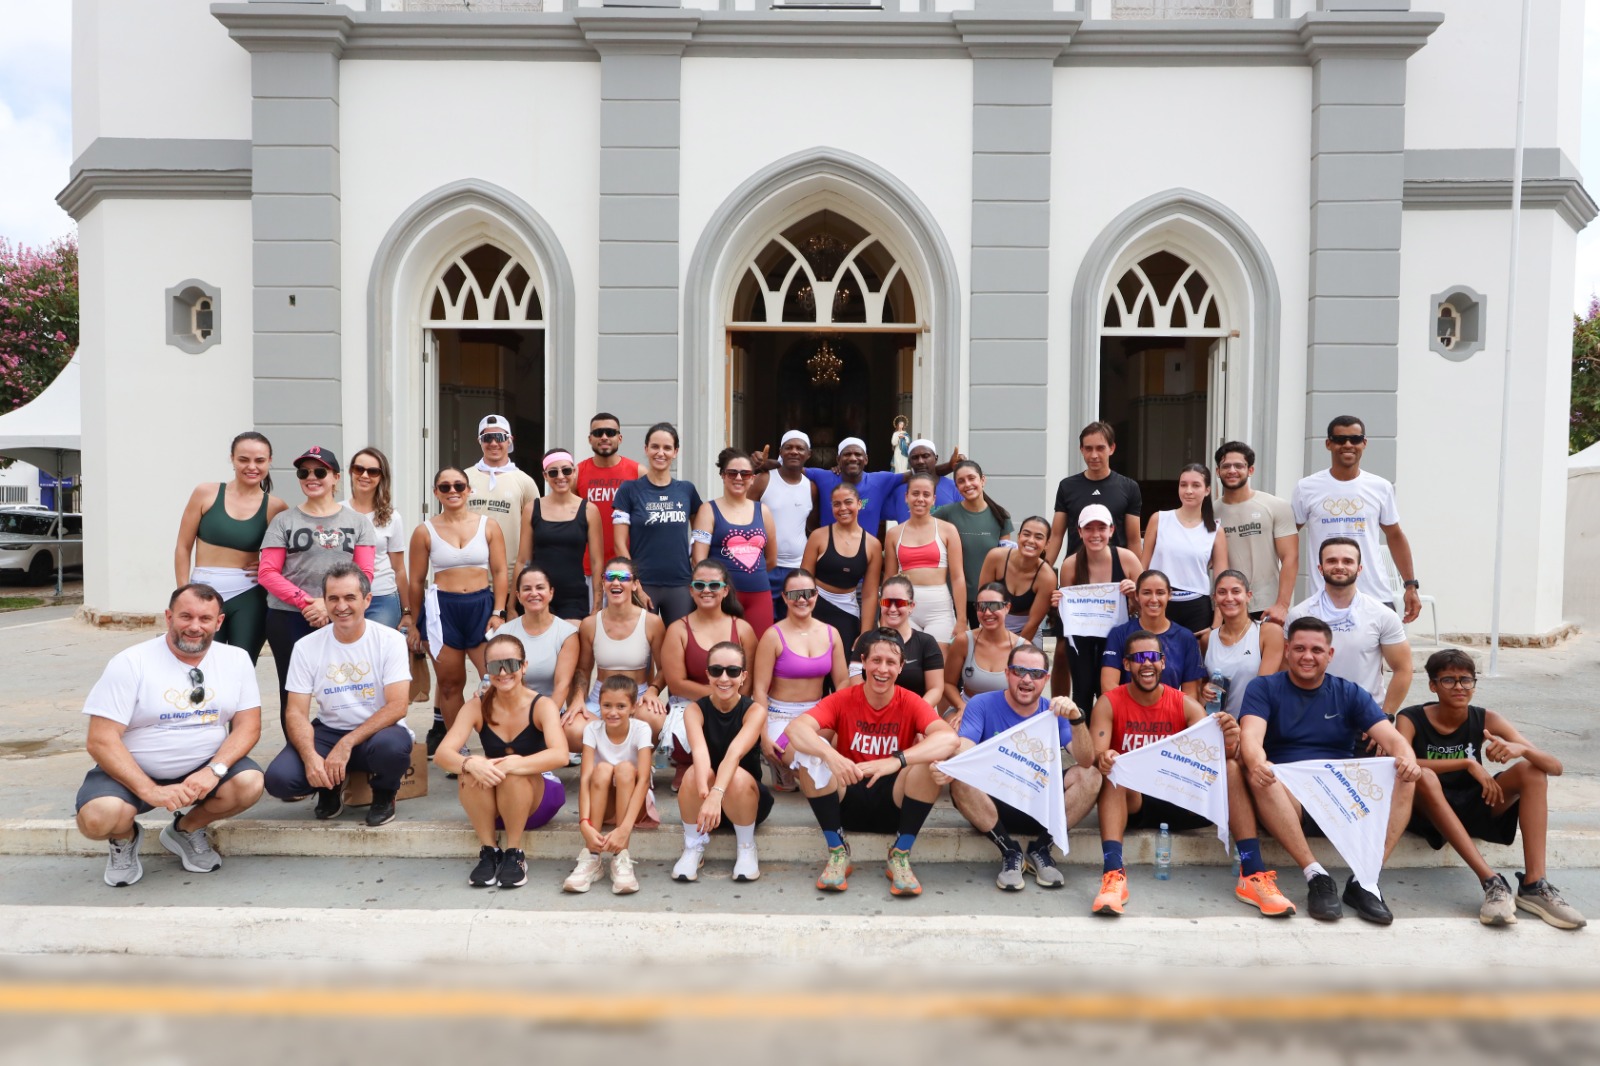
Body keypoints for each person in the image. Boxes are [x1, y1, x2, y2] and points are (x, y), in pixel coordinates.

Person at [1088, 631, 1295, 918]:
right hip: (1136, 802)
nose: (1146, 664)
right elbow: (1097, 756)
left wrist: (1230, 738)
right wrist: (1106, 757)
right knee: (1115, 772)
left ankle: (1252, 872)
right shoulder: (1109, 702)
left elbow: (1216, 754)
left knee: (1232, 767)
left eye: (1152, 657)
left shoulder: (1184, 703)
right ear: (1126, 664)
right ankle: (1113, 874)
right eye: (1138, 658)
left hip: (1183, 797)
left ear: (1162, 662)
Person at [74, 584, 265, 887]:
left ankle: (186, 829)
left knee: (250, 783)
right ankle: (124, 838)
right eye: (185, 616)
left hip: (203, 766)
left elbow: (249, 726)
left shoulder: (237, 659)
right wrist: (148, 790)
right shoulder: (130, 662)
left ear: (219, 622)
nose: (194, 626)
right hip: (135, 770)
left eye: (205, 618)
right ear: (168, 617)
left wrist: (214, 771)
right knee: (98, 819)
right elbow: (100, 739)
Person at [1240, 616, 1423, 924]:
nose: (1307, 656)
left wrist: (1407, 759)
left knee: (1405, 775)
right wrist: (1259, 763)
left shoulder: (1349, 692)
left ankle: (1365, 880)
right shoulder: (1264, 688)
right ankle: (1316, 876)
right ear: (1286, 651)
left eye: (1316, 649)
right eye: (1299, 648)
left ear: (1330, 654)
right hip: (1290, 797)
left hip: (1342, 795)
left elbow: (1393, 739)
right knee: (1260, 773)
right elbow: (1251, 738)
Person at [1398, 649, 1585, 928]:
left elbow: (1554, 766)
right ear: (1433, 685)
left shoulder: (1486, 718)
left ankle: (1535, 884)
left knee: (1532, 771)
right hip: (1428, 812)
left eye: (1466, 680)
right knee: (1423, 775)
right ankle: (1491, 881)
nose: (1459, 687)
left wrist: (1521, 749)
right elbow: (1401, 762)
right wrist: (1467, 764)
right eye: (1448, 680)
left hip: (1474, 804)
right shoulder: (1411, 718)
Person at [784, 629, 961, 896]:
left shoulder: (910, 701)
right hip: (847, 793)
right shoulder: (844, 698)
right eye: (876, 660)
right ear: (864, 662)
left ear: (901, 667)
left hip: (894, 800)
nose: (882, 669)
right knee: (810, 755)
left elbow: (950, 740)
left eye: (891, 663)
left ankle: (900, 853)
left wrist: (896, 761)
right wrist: (832, 756)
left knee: (931, 760)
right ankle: (837, 851)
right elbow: (795, 729)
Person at [263, 564, 414, 827]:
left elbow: (398, 706)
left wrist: (347, 744)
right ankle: (328, 785)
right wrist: (311, 757)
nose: (341, 606)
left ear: (367, 600)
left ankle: (384, 793)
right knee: (280, 779)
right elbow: (296, 711)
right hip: (329, 729)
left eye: (349, 597)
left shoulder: (390, 640)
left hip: (378, 731)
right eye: (333, 598)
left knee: (392, 749)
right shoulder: (306, 647)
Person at [941, 643, 1097, 891]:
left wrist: (1077, 720)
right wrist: (948, 758)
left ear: (1046, 679)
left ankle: (1042, 848)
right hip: (993, 804)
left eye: (1035, 674)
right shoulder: (981, 703)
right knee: (959, 772)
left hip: (1041, 805)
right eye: (1018, 671)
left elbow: (1086, 760)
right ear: (1007, 673)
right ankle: (1009, 850)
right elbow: (964, 748)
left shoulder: (1054, 712)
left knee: (1091, 776)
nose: (1026, 679)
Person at [433, 633, 570, 889]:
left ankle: (515, 853)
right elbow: (443, 754)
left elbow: (560, 754)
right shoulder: (477, 706)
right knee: (470, 770)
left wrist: (511, 763)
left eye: (512, 664)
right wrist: (470, 763)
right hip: (493, 803)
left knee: (513, 775)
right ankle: (489, 850)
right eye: (496, 666)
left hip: (535, 799)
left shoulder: (541, 705)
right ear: (487, 670)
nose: (504, 671)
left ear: (524, 666)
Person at [258, 446, 376, 732]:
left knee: (343, 687)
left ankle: (342, 748)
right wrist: (307, 603)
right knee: (292, 691)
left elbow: (365, 573)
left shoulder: (358, 522)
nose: (312, 477)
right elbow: (267, 572)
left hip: (342, 615)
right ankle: (299, 756)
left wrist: (328, 604)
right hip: (288, 617)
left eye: (320, 471)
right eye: (304, 472)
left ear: (335, 477)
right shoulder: (284, 520)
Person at [407, 466, 510, 754]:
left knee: (497, 678)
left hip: (481, 607)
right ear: (436, 493)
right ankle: (457, 746)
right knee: (450, 684)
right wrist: (415, 623)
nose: (452, 491)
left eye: (458, 486)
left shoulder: (488, 525)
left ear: (468, 490)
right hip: (443, 612)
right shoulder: (424, 531)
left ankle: (498, 743)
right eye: (445, 487)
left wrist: (499, 612)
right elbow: (415, 581)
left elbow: (500, 572)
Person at [1292, 415, 1421, 622]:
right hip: (1325, 597)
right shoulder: (1306, 487)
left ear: (1364, 443)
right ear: (1328, 444)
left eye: (1355, 439)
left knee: (1380, 655)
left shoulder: (1380, 487)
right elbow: (1288, 538)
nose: (1348, 445)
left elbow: (1395, 536)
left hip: (1374, 594)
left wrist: (1410, 585)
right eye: (1340, 440)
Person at [1046, 423, 1143, 698]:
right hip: (1077, 581)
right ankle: (1064, 713)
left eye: (1100, 447)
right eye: (1088, 448)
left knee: (1112, 650)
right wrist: (1041, 574)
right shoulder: (1068, 486)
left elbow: (1134, 539)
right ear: (1081, 450)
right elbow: (1056, 535)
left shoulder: (1128, 487)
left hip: (1115, 580)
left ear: (1111, 449)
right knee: (1066, 650)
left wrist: (1137, 580)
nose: (1094, 454)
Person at [173, 431, 287, 664]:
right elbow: (183, 547)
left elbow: (291, 554)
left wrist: (269, 568)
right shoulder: (206, 493)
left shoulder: (276, 507)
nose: (251, 467)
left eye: (259, 460)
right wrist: (183, 593)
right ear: (232, 459)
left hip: (249, 597)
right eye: (243, 459)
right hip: (202, 592)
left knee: (241, 666)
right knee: (199, 664)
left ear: (270, 461)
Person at [673, 640, 772, 883]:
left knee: (736, 774)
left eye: (733, 671)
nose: (724, 678)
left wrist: (717, 793)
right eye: (716, 670)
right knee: (693, 773)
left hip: (744, 800)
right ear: (708, 675)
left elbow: (734, 753)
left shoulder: (754, 710)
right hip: (706, 806)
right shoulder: (694, 710)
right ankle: (693, 845)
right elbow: (699, 752)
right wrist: (708, 794)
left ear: (743, 676)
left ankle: (746, 847)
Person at [660, 558, 759, 790]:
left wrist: (727, 698)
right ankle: (687, 764)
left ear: (725, 591)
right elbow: (676, 684)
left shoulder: (743, 629)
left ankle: (730, 769)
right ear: (691, 590)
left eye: (714, 585)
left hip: (734, 704)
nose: (706, 591)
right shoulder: (677, 629)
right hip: (690, 704)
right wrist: (717, 695)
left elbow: (748, 682)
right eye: (699, 585)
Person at [1286, 537, 1412, 717]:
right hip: (1310, 715)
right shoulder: (1299, 614)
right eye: (1331, 561)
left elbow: (1403, 669)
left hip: (1364, 718)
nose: (1339, 566)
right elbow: (1286, 667)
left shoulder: (1383, 615)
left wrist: (1384, 717)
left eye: (1347, 561)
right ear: (1320, 568)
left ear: (1359, 569)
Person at [752, 568, 849, 789]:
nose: (802, 599)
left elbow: (842, 682)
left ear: (816, 595)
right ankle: (782, 765)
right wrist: (763, 736)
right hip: (781, 718)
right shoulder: (772, 636)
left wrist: (842, 719)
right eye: (795, 594)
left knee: (848, 751)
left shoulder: (831, 633)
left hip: (818, 715)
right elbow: (759, 690)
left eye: (808, 593)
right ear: (785, 597)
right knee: (814, 763)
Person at [564, 676, 654, 895]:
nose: (613, 712)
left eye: (621, 706)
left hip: (634, 807)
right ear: (599, 705)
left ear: (633, 707)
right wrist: (584, 823)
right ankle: (592, 857)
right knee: (602, 769)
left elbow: (643, 780)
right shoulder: (592, 729)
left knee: (624, 769)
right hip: (602, 806)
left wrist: (624, 829)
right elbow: (585, 779)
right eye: (607, 706)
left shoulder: (641, 729)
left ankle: (621, 856)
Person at [567, 558, 667, 754]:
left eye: (623, 578)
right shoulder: (590, 624)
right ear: (603, 583)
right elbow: (583, 670)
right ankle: (607, 761)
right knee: (571, 729)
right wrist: (578, 699)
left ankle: (641, 762)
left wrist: (653, 691)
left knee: (655, 719)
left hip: (638, 696)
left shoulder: (652, 622)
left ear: (635, 584)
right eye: (610, 577)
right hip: (600, 697)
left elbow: (665, 668)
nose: (616, 582)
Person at [612, 422, 702, 626]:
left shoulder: (687, 490)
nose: (660, 453)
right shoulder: (629, 490)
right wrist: (636, 585)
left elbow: (700, 537)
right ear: (646, 449)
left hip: (680, 583)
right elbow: (619, 544)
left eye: (667, 448)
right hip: (644, 583)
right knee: (642, 651)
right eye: (655, 446)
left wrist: (697, 574)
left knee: (679, 647)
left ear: (676, 452)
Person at [1054, 504, 1140, 707]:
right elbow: (1068, 612)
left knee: (1111, 693)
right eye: (1089, 528)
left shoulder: (1127, 559)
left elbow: (1147, 606)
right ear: (1080, 532)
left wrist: (1134, 594)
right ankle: (1082, 735)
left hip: (1117, 637)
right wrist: (1058, 604)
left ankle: (1110, 736)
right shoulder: (1070, 565)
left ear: (1111, 530)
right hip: (1082, 638)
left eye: (1101, 528)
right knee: (1082, 692)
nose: (1095, 534)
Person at [692, 448, 778, 636]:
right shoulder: (708, 510)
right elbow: (698, 560)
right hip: (720, 596)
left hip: (759, 595)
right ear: (723, 475)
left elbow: (771, 560)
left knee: (758, 652)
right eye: (732, 473)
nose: (739, 478)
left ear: (753, 478)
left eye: (745, 473)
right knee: (721, 654)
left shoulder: (763, 511)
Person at [1214, 441, 1297, 624]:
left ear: (1250, 470)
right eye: (1226, 466)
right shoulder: (1210, 513)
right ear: (1217, 471)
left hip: (1267, 606)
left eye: (1239, 466)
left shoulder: (1275, 506)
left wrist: (1282, 605)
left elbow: (1290, 557)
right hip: (1226, 605)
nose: (1232, 470)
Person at [1140, 463, 1227, 636]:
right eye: (1183, 484)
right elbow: (1142, 568)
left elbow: (1222, 582)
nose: (1188, 490)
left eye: (1196, 485)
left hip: (1196, 608)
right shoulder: (1159, 519)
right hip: (1159, 603)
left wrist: (1216, 625)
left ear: (1207, 490)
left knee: (1192, 661)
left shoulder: (1215, 531)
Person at [518, 448, 604, 619]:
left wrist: (597, 606)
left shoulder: (589, 510)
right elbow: (523, 560)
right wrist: (512, 606)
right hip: (538, 594)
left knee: (571, 642)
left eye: (566, 470)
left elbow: (596, 562)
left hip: (574, 596)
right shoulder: (532, 508)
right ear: (545, 475)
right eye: (553, 472)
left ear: (574, 472)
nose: (560, 476)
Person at [883, 472, 965, 647]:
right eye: (915, 493)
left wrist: (962, 620)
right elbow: (889, 580)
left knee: (937, 665)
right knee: (904, 664)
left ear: (934, 499)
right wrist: (884, 615)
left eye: (926, 494)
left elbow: (958, 578)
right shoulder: (893, 534)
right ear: (906, 497)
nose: (920, 499)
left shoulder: (948, 530)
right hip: (902, 608)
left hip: (939, 609)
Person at [799, 481, 882, 653]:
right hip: (815, 608)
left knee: (844, 668)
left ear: (859, 504)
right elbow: (803, 582)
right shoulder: (818, 536)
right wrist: (798, 619)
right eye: (837, 504)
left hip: (847, 611)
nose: (843, 508)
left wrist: (864, 634)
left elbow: (869, 594)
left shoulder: (873, 545)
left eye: (848, 502)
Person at [1100, 570, 1203, 701]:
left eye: (1160, 593)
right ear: (1136, 595)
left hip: (1169, 716)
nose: (1154, 599)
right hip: (1127, 715)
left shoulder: (1186, 638)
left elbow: (1191, 695)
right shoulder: (1119, 634)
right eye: (1146, 592)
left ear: (1169, 595)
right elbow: (1108, 686)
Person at [934, 459, 1014, 627]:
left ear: (982, 480)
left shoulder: (1001, 516)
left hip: (988, 600)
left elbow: (1004, 561)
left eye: (972, 478)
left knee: (984, 648)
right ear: (956, 487)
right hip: (952, 599)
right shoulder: (945, 514)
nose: (967, 484)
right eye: (961, 481)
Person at [752, 430, 820, 623]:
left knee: (793, 622)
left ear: (808, 454)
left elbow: (812, 526)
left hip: (797, 569)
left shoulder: (811, 487)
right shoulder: (765, 479)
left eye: (800, 448)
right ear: (780, 452)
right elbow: (745, 514)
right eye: (788, 447)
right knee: (764, 622)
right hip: (765, 567)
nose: (794, 452)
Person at [848, 575, 944, 708]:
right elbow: (855, 679)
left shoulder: (926, 643)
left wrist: (915, 712)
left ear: (911, 606)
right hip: (871, 714)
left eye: (899, 603)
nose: (892, 609)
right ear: (880, 604)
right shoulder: (865, 640)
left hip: (913, 716)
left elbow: (936, 689)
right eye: (887, 603)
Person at [1200, 570, 1284, 719]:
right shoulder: (1208, 639)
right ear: (1215, 598)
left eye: (1236, 591)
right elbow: (1202, 686)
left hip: (1255, 725)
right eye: (1222, 592)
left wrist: (1244, 731)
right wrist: (1204, 690)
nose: (1229, 598)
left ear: (1248, 596)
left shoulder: (1268, 633)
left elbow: (1263, 689)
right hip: (1216, 727)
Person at [466, 413, 541, 571]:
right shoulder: (464, 478)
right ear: (479, 441)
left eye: (499, 437)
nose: (493, 443)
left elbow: (536, 531)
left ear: (509, 440)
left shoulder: (525, 482)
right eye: (487, 438)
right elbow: (448, 523)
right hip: (470, 577)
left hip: (510, 576)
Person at [497, 563, 578, 709]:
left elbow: (562, 686)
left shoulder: (567, 633)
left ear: (551, 593)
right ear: (518, 596)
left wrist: (544, 721)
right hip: (510, 710)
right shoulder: (503, 632)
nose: (534, 593)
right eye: (527, 589)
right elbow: (494, 681)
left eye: (540, 588)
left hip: (549, 711)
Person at [345, 447, 409, 631]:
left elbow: (399, 569)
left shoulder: (392, 517)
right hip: (343, 596)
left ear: (382, 477)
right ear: (351, 471)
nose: (365, 475)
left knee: (376, 655)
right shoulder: (336, 511)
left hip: (381, 596)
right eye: (359, 469)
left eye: (373, 471)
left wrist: (407, 612)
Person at [574, 411, 639, 589]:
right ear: (589, 439)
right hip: (588, 568)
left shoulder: (637, 472)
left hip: (626, 567)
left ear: (620, 438)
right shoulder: (577, 472)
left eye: (610, 433)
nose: (604, 437)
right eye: (598, 433)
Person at [942, 583, 1022, 724]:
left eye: (994, 606)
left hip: (1006, 713)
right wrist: (962, 706)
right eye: (981, 606)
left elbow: (1030, 692)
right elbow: (948, 683)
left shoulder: (1022, 648)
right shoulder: (963, 641)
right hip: (967, 708)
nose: (987, 612)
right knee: (953, 737)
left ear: (1007, 607)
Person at [978, 515, 1056, 647]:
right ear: (1019, 536)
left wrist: (1012, 650)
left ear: (1047, 544)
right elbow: (983, 602)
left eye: (1038, 537)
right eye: (1026, 534)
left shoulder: (1047, 577)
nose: (1031, 540)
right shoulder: (995, 557)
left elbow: (1032, 624)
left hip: (1026, 632)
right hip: (990, 622)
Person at [883, 438, 961, 526]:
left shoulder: (954, 488)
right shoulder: (899, 491)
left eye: (925, 456)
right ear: (909, 462)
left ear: (936, 458)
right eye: (915, 457)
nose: (920, 461)